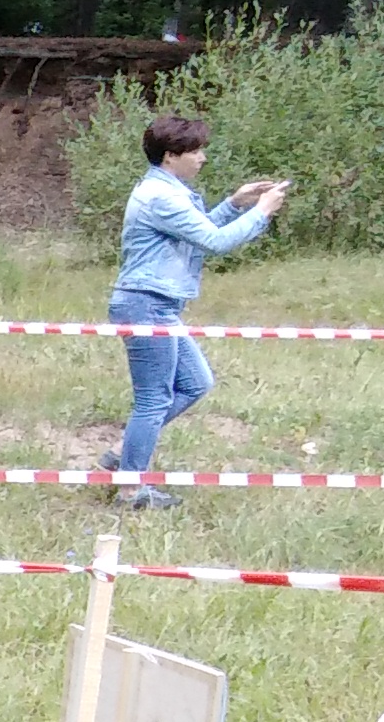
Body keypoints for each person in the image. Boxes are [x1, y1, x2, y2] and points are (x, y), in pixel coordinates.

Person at [109, 111, 288, 507]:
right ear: (171, 156)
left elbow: (196, 230)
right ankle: (130, 489)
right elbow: (214, 242)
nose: (202, 157)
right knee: (153, 400)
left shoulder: (167, 192)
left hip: (158, 304)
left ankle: (123, 458)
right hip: (146, 304)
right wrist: (261, 213)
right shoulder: (162, 197)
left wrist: (235, 203)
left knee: (196, 383)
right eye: (195, 150)